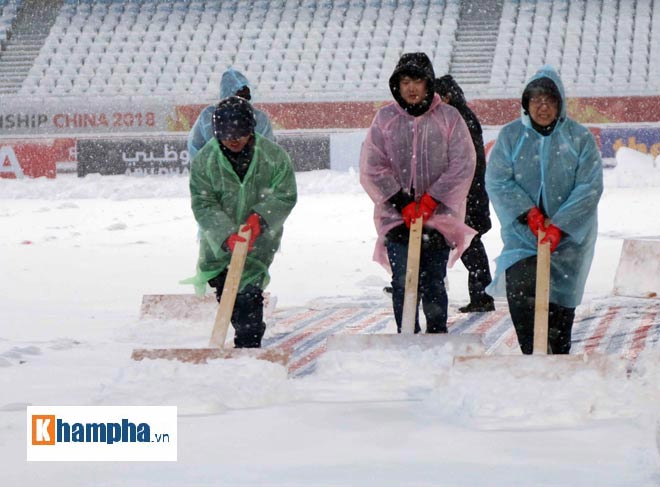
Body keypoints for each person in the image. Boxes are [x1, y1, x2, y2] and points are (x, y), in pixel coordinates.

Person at [485, 65, 603, 355]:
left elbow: (589, 186)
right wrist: (529, 214)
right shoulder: (512, 136)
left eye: (549, 100)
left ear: (559, 103)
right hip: (524, 237)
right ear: (526, 103)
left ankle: (558, 362)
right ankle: (532, 354)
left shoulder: (579, 138)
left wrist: (560, 225)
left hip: (570, 241)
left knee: (560, 310)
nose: (542, 106)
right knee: (521, 288)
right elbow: (498, 179)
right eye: (536, 100)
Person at [360, 52, 477, 334]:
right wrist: (401, 202)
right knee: (403, 280)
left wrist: (432, 199)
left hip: (438, 218)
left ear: (428, 84)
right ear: (397, 85)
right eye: (405, 81)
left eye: (417, 81)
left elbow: (462, 162)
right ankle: (406, 335)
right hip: (397, 218)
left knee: (433, 280)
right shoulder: (385, 118)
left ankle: (437, 335)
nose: (411, 88)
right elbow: (372, 164)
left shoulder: (449, 118)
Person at [183, 96, 297, 348]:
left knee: (248, 298)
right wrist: (226, 235)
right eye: (226, 134)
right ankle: (244, 342)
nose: (233, 139)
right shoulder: (205, 161)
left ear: (250, 129)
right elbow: (203, 203)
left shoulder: (273, 157)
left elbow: (285, 194)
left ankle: (248, 347)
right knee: (229, 296)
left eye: (239, 132)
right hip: (218, 248)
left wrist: (261, 217)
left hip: (258, 245)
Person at [435, 75, 495, 313]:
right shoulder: (462, 117)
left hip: (467, 196)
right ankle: (482, 294)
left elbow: (466, 162)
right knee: (469, 244)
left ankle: (483, 295)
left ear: (447, 97)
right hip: (470, 194)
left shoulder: (459, 120)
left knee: (469, 244)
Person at [187, 67, 275, 159]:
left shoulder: (260, 119)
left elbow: (268, 153)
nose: (244, 101)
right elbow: (197, 150)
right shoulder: (208, 117)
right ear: (227, 95)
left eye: (246, 96)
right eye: (239, 97)